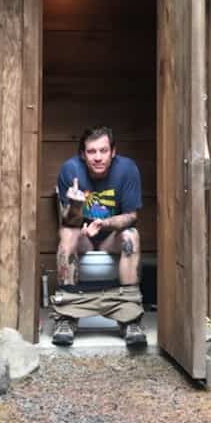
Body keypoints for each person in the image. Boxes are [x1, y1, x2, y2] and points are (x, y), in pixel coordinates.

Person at [51, 125, 145, 347]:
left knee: (131, 236)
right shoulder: (70, 170)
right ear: (83, 155)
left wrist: (104, 222)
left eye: (103, 151)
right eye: (92, 152)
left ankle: (130, 319)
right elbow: (66, 222)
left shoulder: (127, 170)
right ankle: (67, 317)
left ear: (113, 152)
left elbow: (131, 216)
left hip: (109, 237)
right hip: (82, 237)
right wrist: (74, 206)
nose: (98, 157)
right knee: (67, 233)